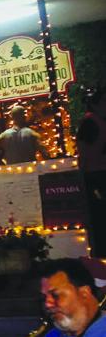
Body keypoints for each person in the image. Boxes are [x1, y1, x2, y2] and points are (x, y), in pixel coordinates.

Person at [76, 86, 106, 255]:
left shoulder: (98, 121)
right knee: (99, 216)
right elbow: (84, 150)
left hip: (98, 172)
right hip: (95, 175)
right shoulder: (90, 122)